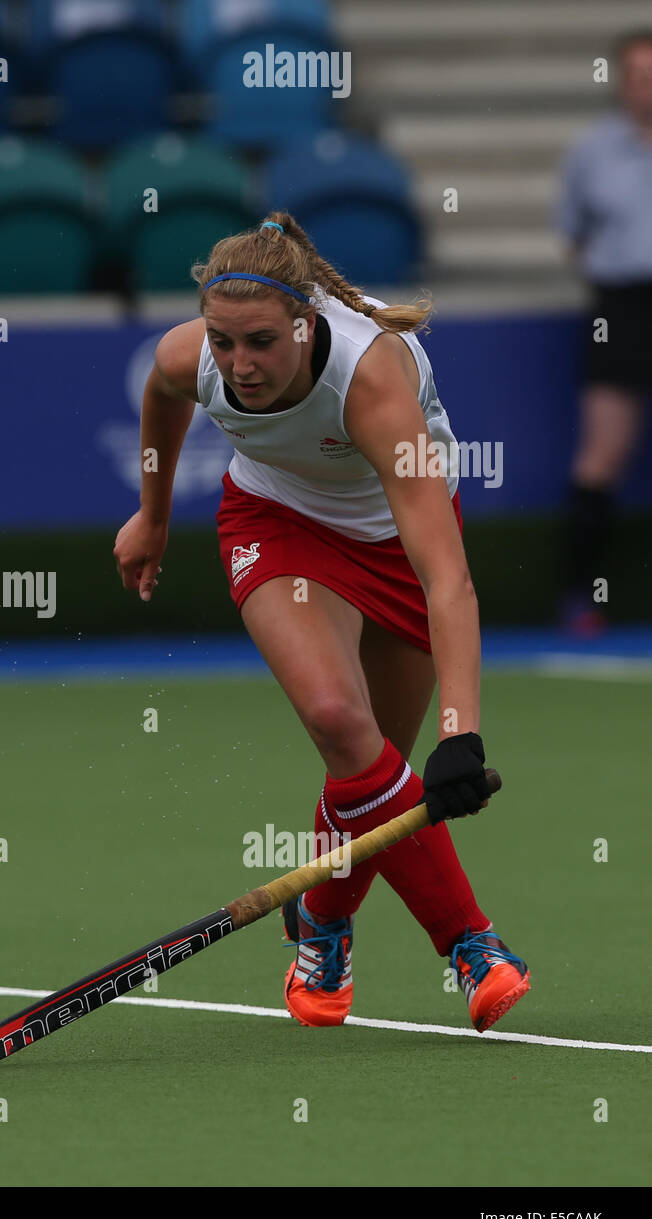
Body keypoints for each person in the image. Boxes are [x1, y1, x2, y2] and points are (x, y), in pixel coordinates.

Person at [113, 213, 530, 1032]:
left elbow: (449, 579)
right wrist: (152, 515)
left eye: (262, 343)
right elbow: (164, 400)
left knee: (370, 772)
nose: (240, 366)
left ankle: (320, 925)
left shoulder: (371, 383)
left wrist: (462, 735)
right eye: (224, 343)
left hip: (396, 545)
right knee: (342, 721)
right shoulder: (188, 357)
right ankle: (472, 945)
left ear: (306, 326)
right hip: (277, 524)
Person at [556, 29, 652, 636]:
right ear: (620, 81)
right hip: (619, 308)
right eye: (639, 74)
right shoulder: (592, 151)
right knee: (603, 455)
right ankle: (579, 597)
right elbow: (574, 235)